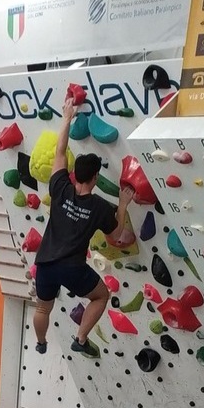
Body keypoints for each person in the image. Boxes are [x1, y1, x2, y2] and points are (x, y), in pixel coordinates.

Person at [32, 97, 134, 357]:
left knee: (42, 308)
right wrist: (123, 205)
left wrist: (67, 117)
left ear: (74, 173)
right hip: (72, 267)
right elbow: (116, 235)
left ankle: (41, 342)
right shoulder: (99, 207)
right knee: (101, 296)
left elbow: (59, 152)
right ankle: (80, 338)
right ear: (96, 178)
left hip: (45, 262)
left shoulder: (60, 187)